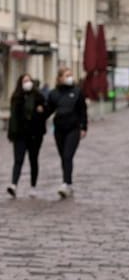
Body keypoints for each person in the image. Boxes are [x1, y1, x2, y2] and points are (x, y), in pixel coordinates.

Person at [46, 67, 88, 199]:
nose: (70, 77)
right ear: (60, 78)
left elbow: (83, 111)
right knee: (63, 157)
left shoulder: (77, 92)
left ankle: (66, 183)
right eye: (67, 75)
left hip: (73, 129)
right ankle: (67, 182)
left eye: (71, 75)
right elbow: (49, 110)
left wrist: (83, 127)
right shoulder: (54, 94)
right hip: (59, 129)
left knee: (67, 155)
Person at [6, 73, 47, 199]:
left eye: (29, 80)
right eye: (25, 80)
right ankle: (13, 184)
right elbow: (13, 118)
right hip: (19, 135)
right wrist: (12, 133)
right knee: (18, 160)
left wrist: (41, 111)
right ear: (20, 83)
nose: (27, 82)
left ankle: (33, 186)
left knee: (33, 160)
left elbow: (45, 112)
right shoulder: (16, 97)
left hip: (35, 135)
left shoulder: (38, 97)